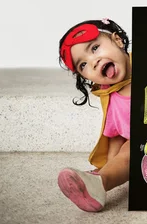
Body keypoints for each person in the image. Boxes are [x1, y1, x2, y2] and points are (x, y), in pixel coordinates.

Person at [56, 18, 132, 212]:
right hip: (146, 142)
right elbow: (116, 134)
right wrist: (110, 165)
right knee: (127, 152)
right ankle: (98, 183)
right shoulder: (110, 96)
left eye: (95, 48)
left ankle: (97, 181)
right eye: (83, 65)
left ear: (118, 41)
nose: (93, 61)